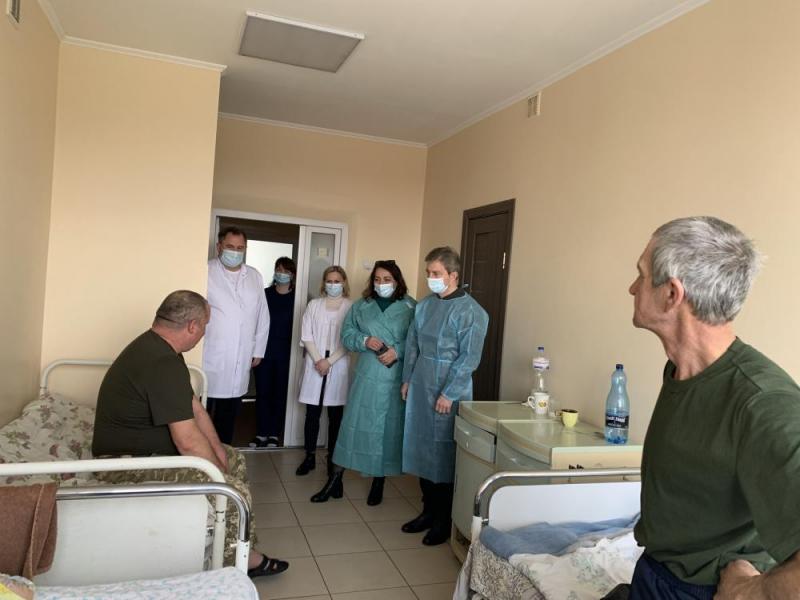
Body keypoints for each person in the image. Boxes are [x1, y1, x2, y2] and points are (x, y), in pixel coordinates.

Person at [628, 216, 800, 599]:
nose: (633, 287)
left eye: (641, 275)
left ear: (671, 294)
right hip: (657, 573)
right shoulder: (682, 369)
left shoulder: (764, 403)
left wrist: (749, 591)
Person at [92, 290, 288, 577]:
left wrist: (219, 455)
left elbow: (195, 408)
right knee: (232, 491)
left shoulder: (163, 350)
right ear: (192, 326)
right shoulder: (159, 361)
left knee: (234, 459)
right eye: (205, 326)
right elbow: (186, 441)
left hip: (150, 452)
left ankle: (240, 548)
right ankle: (234, 566)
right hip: (124, 464)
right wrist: (219, 478)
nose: (204, 333)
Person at [400, 247, 488, 545]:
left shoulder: (472, 312)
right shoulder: (425, 306)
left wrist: (449, 393)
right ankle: (427, 511)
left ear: (453, 275)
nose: (431, 278)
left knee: (443, 452)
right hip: (421, 381)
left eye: (436, 273)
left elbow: (469, 358)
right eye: (428, 273)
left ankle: (443, 519)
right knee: (422, 446)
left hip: (450, 386)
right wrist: (407, 379)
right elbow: (412, 344)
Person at [324, 260, 416, 506]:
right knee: (352, 426)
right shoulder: (361, 306)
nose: (381, 284)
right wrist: (364, 340)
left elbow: (417, 341)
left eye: (387, 279)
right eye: (377, 279)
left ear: (397, 281)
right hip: (366, 375)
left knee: (386, 430)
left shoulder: (410, 306)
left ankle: (379, 480)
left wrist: (397, 351)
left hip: (393, 377)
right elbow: (347, 334)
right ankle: (335, 479)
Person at [203, 226, 269, 445]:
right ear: (219, 246)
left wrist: (258, 350)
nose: (235, 251)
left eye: (240, 248)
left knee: (229, 413)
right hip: (211, 353)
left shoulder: (254, 276)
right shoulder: (206, 271)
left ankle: (224, 456)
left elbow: (262, 315)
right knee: (204, 411)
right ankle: (201, 459)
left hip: (242, 354)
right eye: (230, 246)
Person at [293, 267, 352, 501]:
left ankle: (333, 464)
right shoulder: (314, 305)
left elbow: (349, 339)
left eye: (337, 281)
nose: (332, 284)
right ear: (323, 283)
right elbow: (306, 335)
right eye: (329, 280)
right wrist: (319, 360)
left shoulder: (351, 307)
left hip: (337, 363)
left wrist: (329, 361)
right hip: (315, 362)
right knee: (312, 414)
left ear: (344, 282)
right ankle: (309, 456)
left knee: (335, 417)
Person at [251, 256, 297, 448]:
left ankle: (274, 434)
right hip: (264, 352)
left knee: (280, 393)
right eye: (279, 270)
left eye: (286, 271)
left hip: (286, 354)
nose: (282, 274)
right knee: (263, 393)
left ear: (292, 274)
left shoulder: (297, 297)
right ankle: (261, 433)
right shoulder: (265, 294)